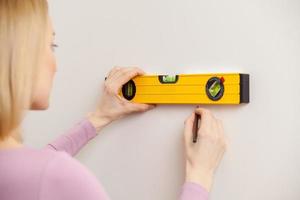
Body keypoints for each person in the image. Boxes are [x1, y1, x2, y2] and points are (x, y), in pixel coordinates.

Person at [0, 0, 227, 200]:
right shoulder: (56, 176)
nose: (56, 65)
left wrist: (99, 117)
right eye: (52, 45)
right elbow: (41, 177)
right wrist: (199, 175)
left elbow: (31, 176)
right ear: (19, 54)